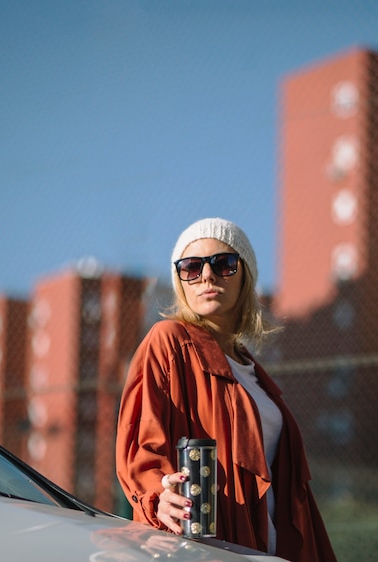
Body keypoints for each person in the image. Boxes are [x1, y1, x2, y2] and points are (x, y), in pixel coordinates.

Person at [116, 217, 337, 562]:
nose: (207, 276)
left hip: (271, 551)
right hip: (203, 548)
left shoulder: (255, 373)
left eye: (223, 263)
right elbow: (141, 443)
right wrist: (159, 495)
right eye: (191, 267)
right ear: (181, 281)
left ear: (244, 275)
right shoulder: (170, 342)